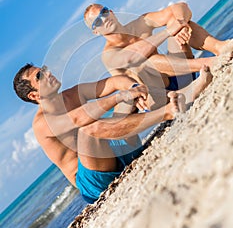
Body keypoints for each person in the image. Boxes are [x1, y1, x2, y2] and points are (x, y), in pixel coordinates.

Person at [13, 63, 212, 203]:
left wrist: (134, 89)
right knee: (88, 129)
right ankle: (167, 112)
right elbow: (77, 119)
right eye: (40, 76)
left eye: (44, 69)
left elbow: (115, 81)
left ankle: (186, 95)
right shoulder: (41, 123)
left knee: (130, 97)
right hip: (94, 182)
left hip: (120, 152)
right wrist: (119, 97)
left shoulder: (72, 94)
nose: (48, 73)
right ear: (34, 95)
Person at [84, 3, 231, 110]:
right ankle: (211, 62)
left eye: (103, 13)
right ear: (96, 32)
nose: (103, 19)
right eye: (97, 21)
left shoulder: (140, 23)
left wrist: (180, 23)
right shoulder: (108, 55)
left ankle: (221, 48)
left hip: (182, 74)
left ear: (111, 12)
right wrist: (169, 31)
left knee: (177, 21)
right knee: (144, 62)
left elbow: (180, 7)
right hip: (162, 97)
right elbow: (131, 57)